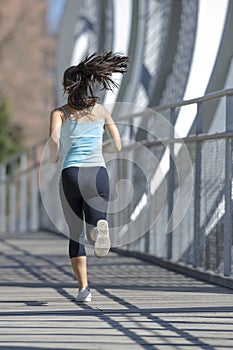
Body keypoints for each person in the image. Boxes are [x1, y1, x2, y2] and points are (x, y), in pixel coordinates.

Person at [48, 51, 129, 302]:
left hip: (71, 173)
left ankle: (84, 289)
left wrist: (53, 156)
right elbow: (118, 145)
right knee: (96, 223)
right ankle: (99, 231)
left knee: (75, 232)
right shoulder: (101, 111)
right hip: (98, 173)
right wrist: (104, 144)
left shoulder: (59, 113)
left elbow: (53, 140)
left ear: (65, 87)